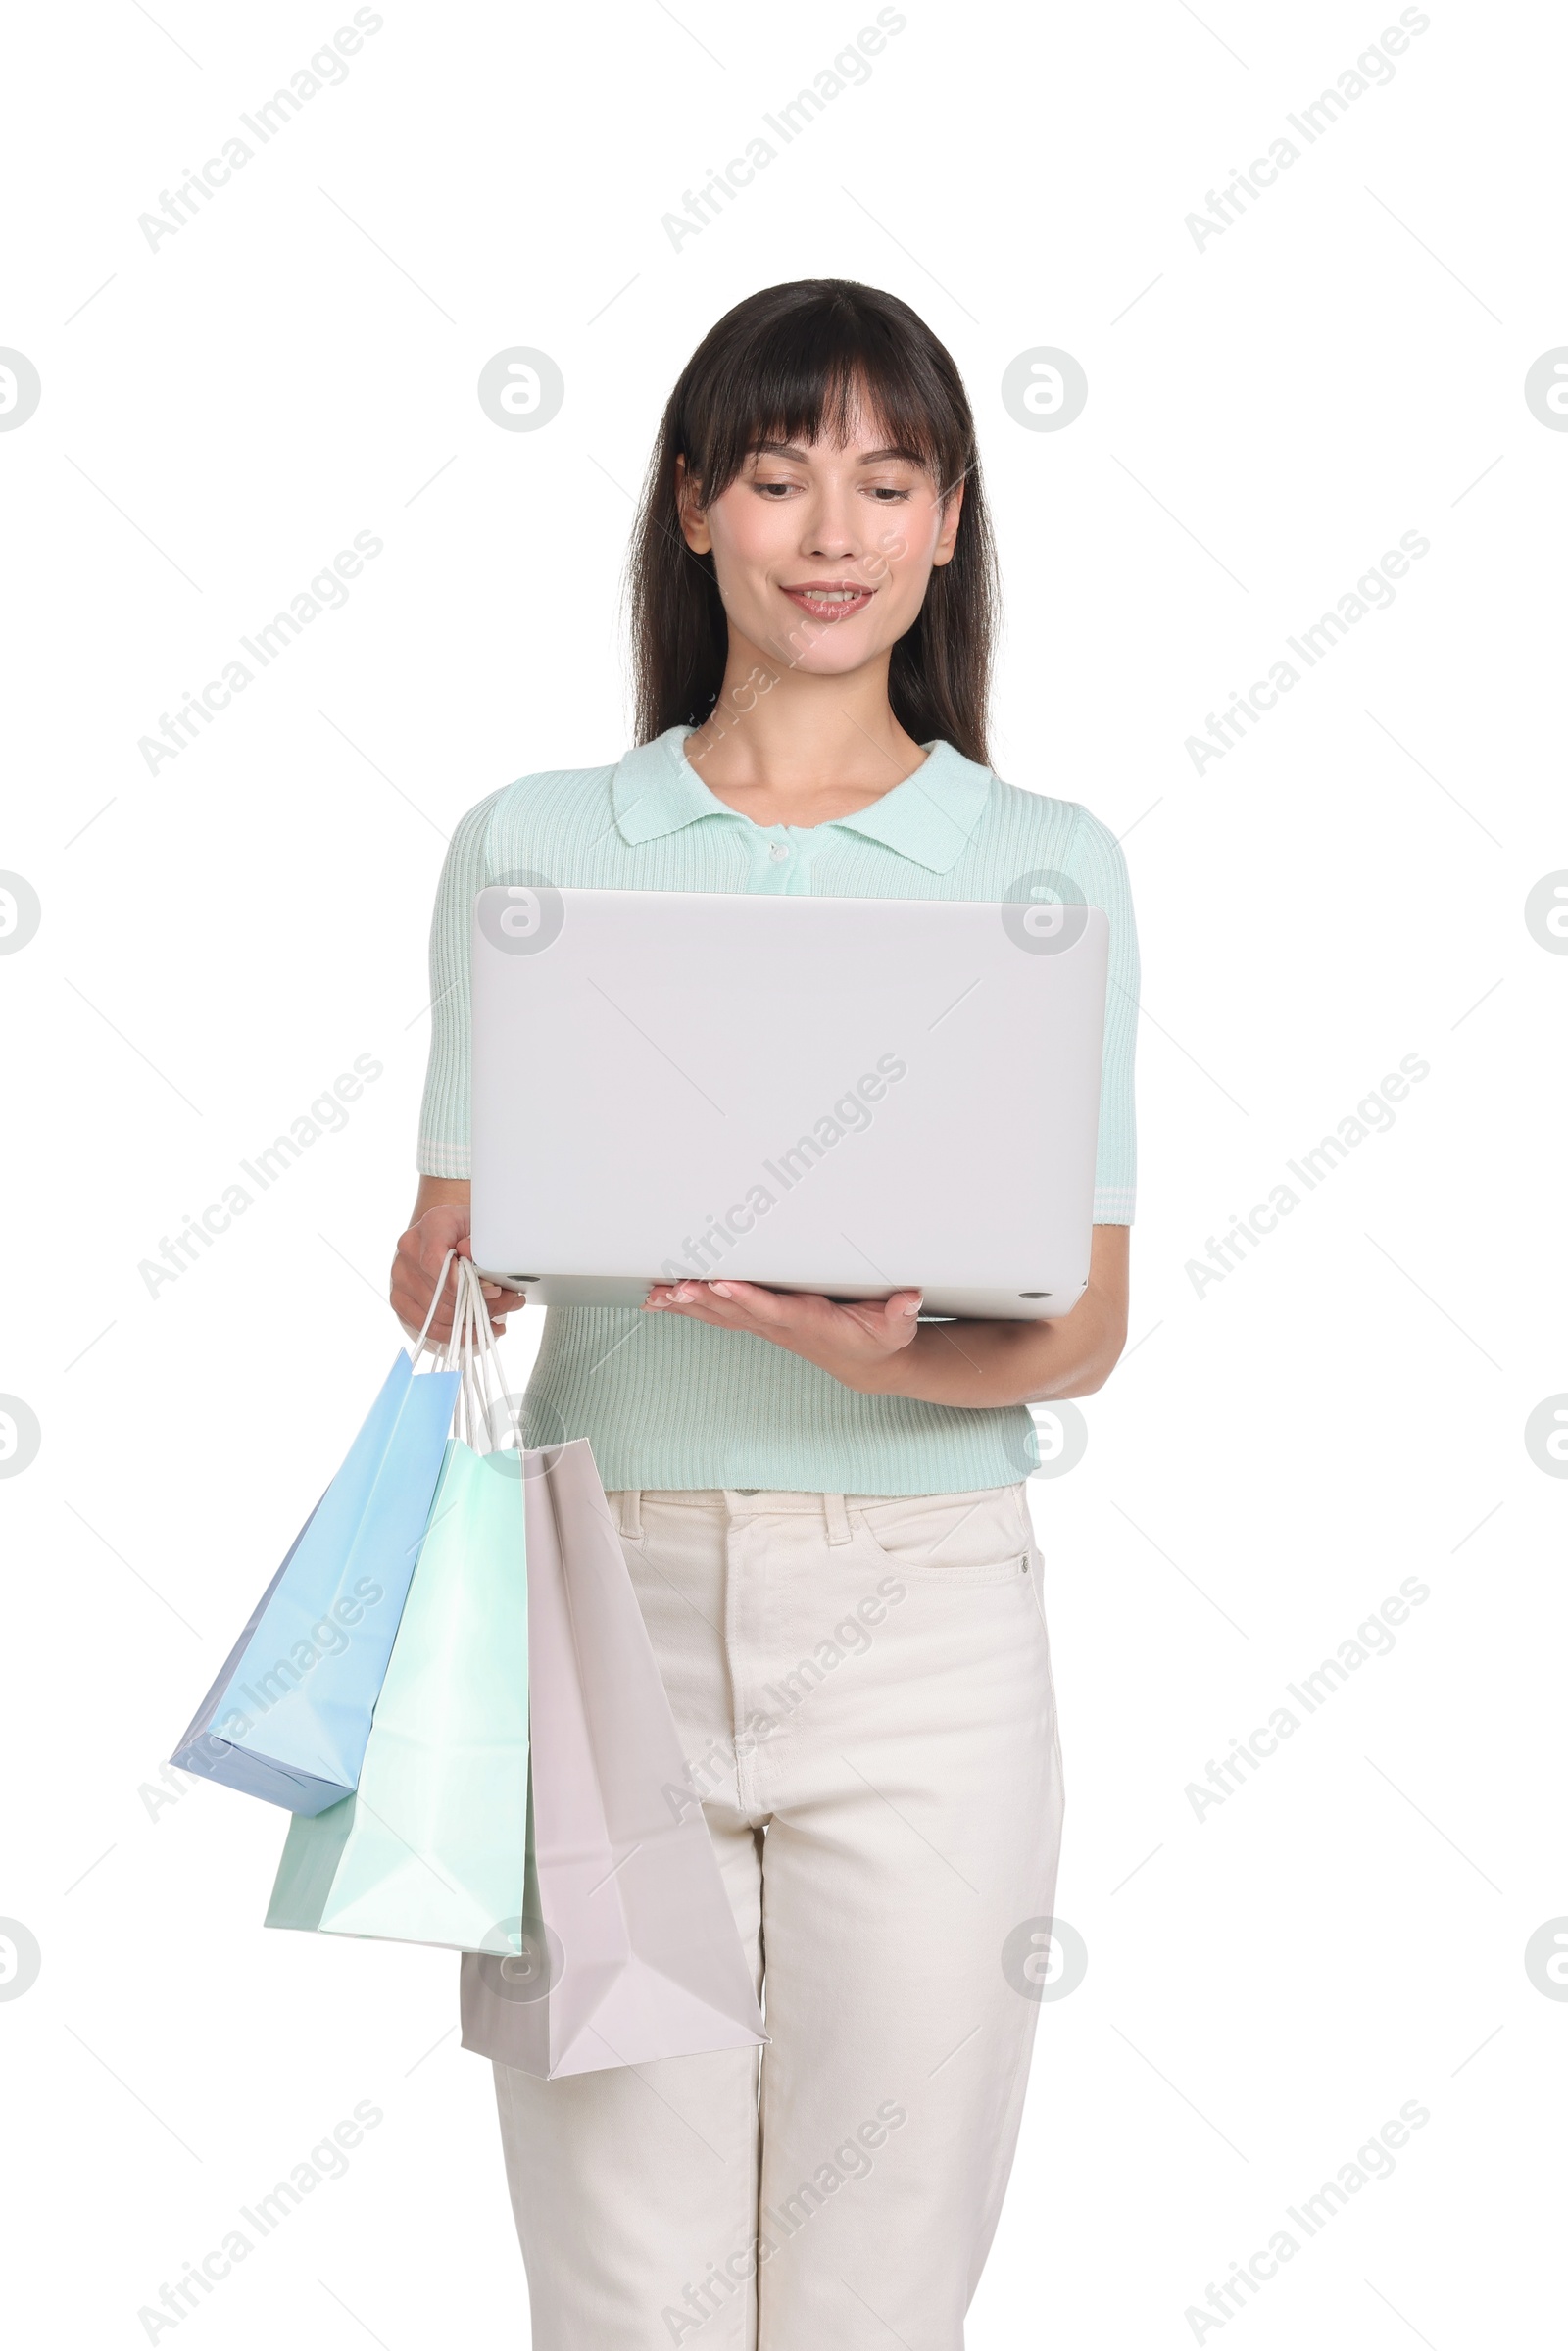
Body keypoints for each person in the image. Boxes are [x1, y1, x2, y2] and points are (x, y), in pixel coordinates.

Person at [390, 277, 1138, 2350]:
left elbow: (1076, 1331)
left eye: (885, 480)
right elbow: (439, 1260)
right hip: (605, 1610)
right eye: (782, 474)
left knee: (867, 2294)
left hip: (920, 1629)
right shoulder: (535, 846)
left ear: (949, 522)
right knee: (626, 2299)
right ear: (694, 507)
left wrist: (874, 1349)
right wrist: (487, 1246)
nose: (834, 531)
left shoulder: (1039, 868)